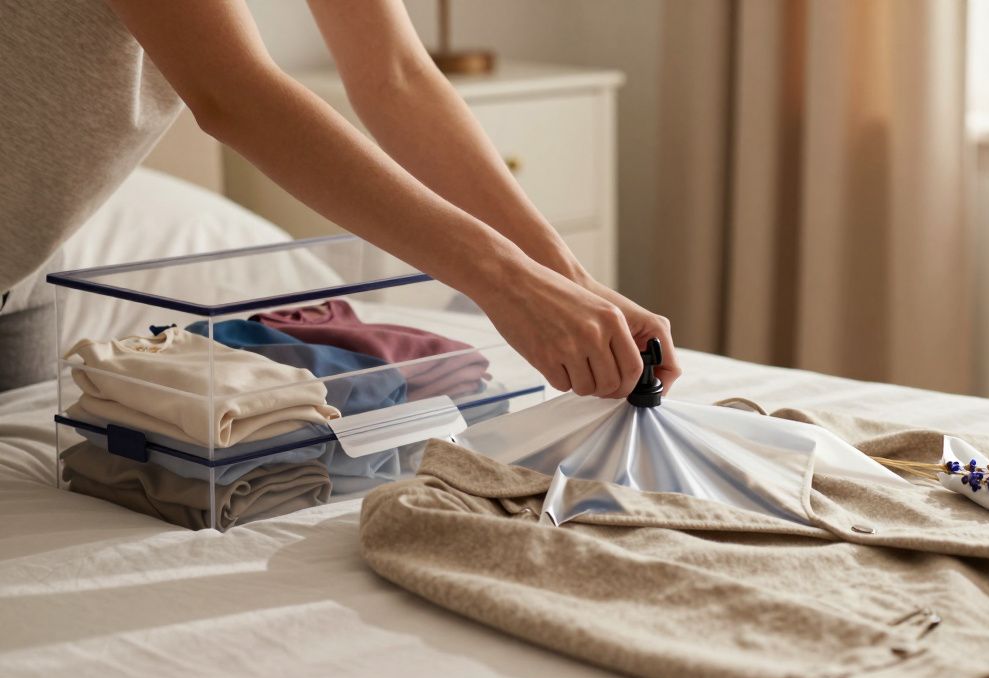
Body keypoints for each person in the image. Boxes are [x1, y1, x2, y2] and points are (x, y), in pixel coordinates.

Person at [0, 0, 681, 397]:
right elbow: (234, 95)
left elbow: (396, 76)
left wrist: (569, 280)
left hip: (21, 272)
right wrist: (507, 282)